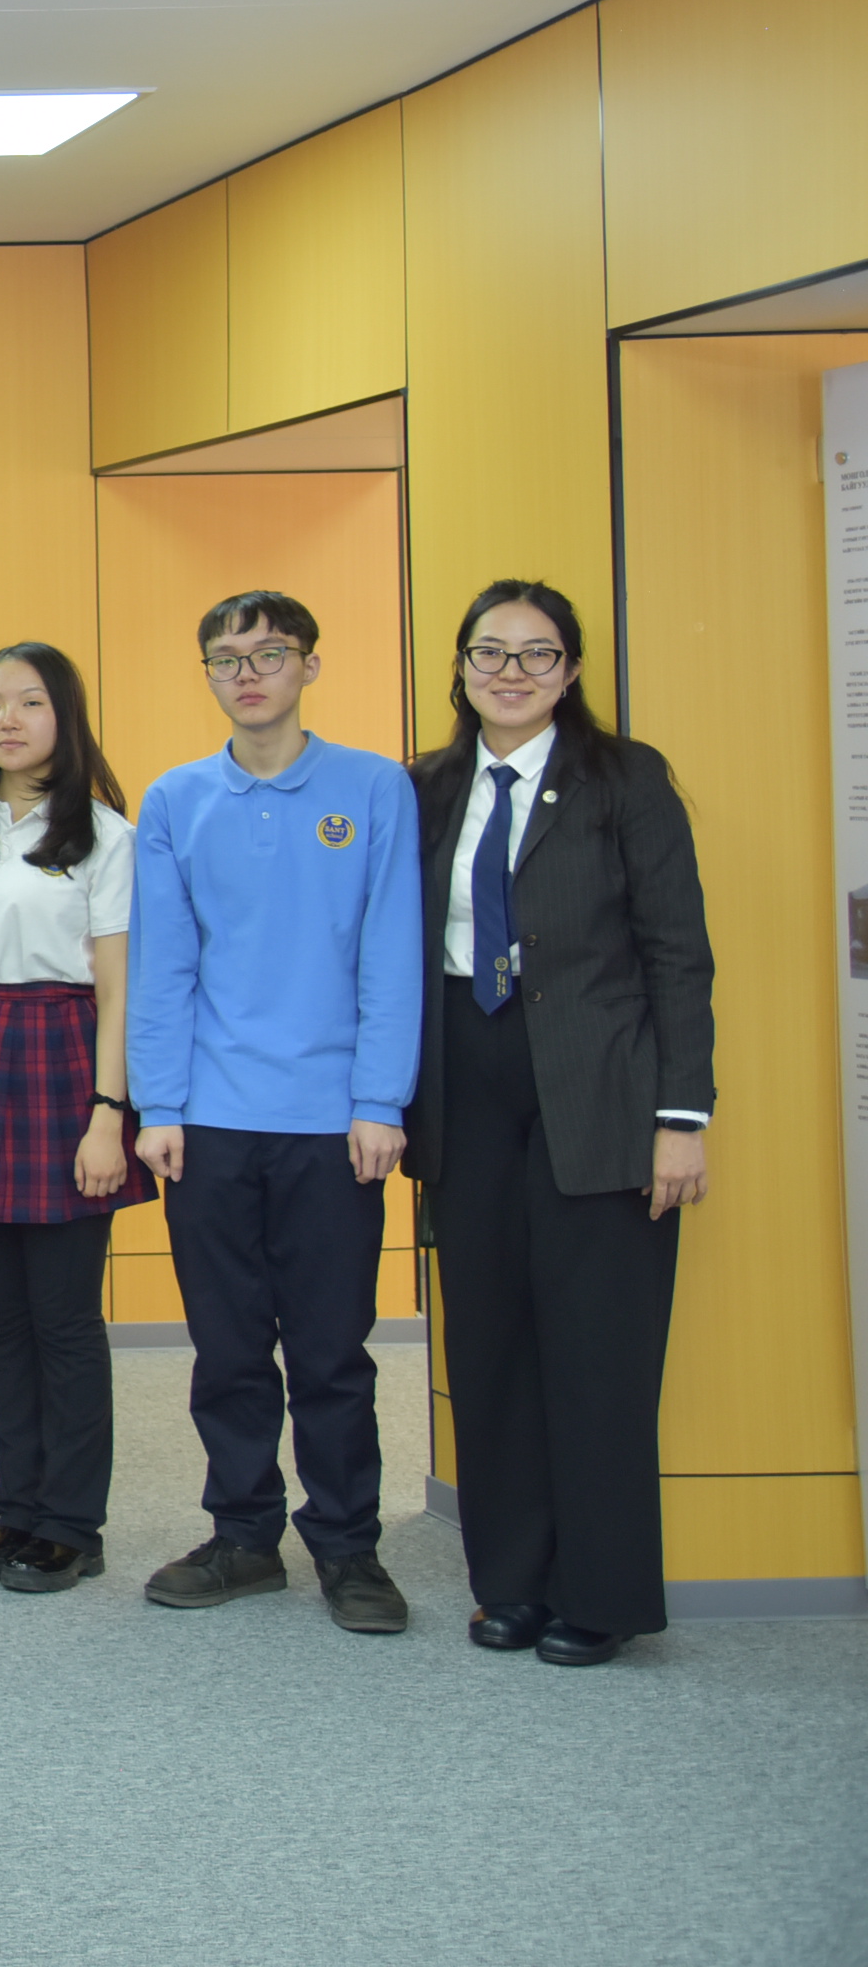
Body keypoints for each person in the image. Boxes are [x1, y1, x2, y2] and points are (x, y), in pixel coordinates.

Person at [406, 581, 712, 1666]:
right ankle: (513, 1584)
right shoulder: (426, 786)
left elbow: (677, 952)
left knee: (596, 1353)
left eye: (537, 653)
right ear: (460, 666)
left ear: (570, 670)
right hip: (466, 1085)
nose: (511, 671)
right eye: (489, 651)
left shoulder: (623, 780)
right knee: (489, 1347)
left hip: (599, 1093)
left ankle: (601, 1592)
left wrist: (681, 1116)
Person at [128, 590, 423, 1635]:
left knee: (332, 1352)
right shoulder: (175, 799)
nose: (246, 674)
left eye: (268, 654)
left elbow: (390, 952)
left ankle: (348, 1546)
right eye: (225, 658)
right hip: (208, 1121)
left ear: (309, 665)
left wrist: (378, 1098)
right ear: (206, 674)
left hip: (332, 1122)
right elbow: (162, 965)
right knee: (227, 1349)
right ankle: (244, 1536)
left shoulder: (373, 788)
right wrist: (158, 1102)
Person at [0, 644, 144, 1597]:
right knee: (2, 1318)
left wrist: (107, 1114)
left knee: (65, 1319)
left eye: (30, 703)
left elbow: (118, 988)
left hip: (64, 1060)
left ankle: (72, 1524)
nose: (8, 720)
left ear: (65, 716)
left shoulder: (104, 834)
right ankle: (18, 1507)